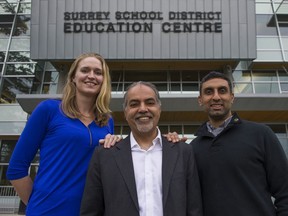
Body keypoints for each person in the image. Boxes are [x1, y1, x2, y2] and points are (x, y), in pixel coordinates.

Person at [6, 53, 118, 216]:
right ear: (73, 77)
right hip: (46, 210)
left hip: (89, 211)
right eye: (85, 70)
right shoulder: (49, 110)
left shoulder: (107, 121)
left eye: (98, 72)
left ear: (104, 80)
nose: (91, 76)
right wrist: (36, 206)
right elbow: (16, 169)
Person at [80, 81, 203, 216]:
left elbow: (194, 208)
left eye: (150, 103)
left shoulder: (183, 152)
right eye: (134, 104)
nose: (143, 109)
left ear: (159, 109)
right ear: (125, 112)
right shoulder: (104, 155)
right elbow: (91, 210)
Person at [191, 71, 288, 215]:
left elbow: (285, 191)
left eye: (222, 91)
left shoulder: (261, 134)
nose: (216, 97)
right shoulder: (193, 148)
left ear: (232, 97)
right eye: (209, 92)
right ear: (200, 100)